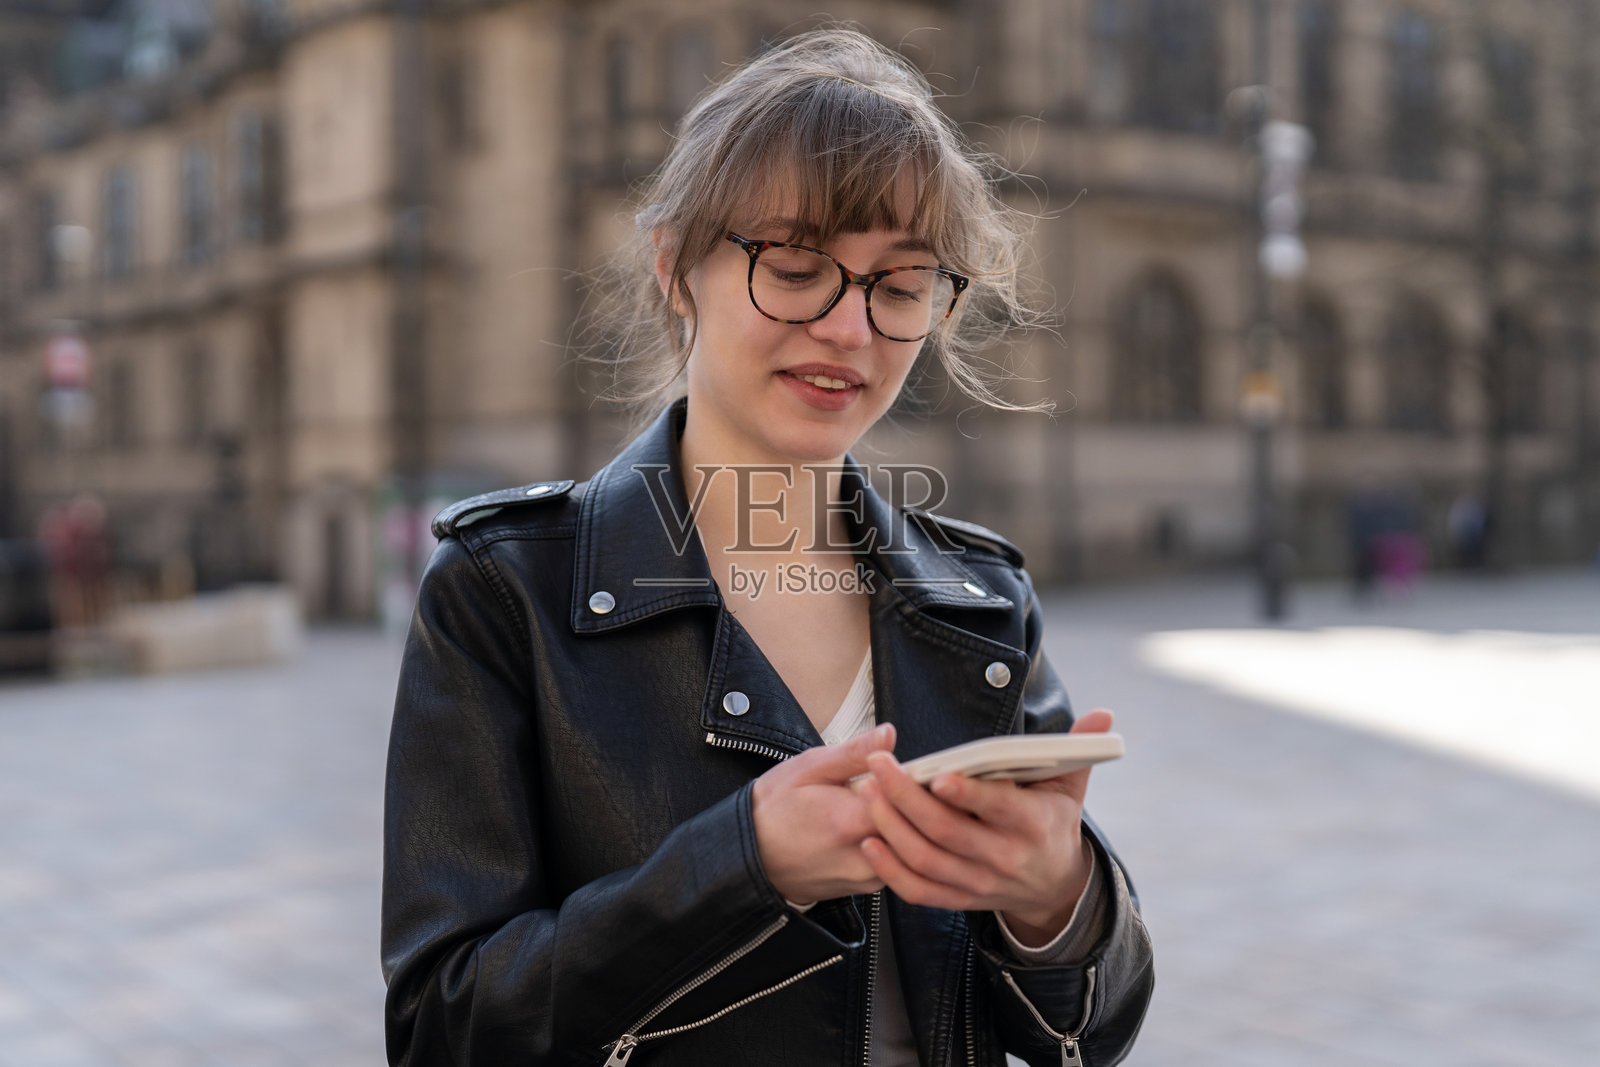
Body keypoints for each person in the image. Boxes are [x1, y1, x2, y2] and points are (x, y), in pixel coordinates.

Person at [383, 28, 1153, 1067]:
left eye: (899, 285)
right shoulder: (501, 590)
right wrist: (738, 869)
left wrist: (1057, 898)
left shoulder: (981, 601)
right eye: (794, 267)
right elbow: (442, 1027)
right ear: (674, 267)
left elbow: (1085, 1027)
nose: (849, 328)